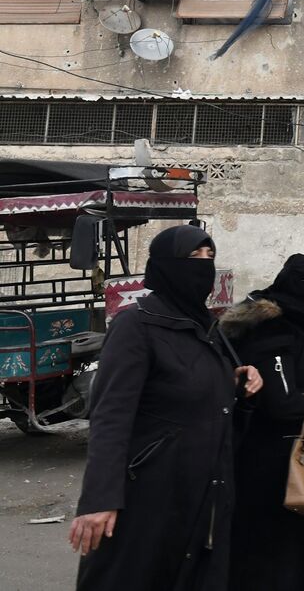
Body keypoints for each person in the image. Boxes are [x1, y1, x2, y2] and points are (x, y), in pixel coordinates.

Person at [69, 225, 262, 591]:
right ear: (166, 266)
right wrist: (100, 499)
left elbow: (203, 397)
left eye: (210, 257)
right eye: (194, 258)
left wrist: (236, 383)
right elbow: (110, 417)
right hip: (149, 498)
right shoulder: (136, 326)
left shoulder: (209, 328)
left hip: (205, 496)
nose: (204, 266)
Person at [220, 253, 304, 591]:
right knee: (272, 560)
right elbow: (282, 402)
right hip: (269, 467)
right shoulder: (272, 330)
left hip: (287, 459)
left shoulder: (292, 322)